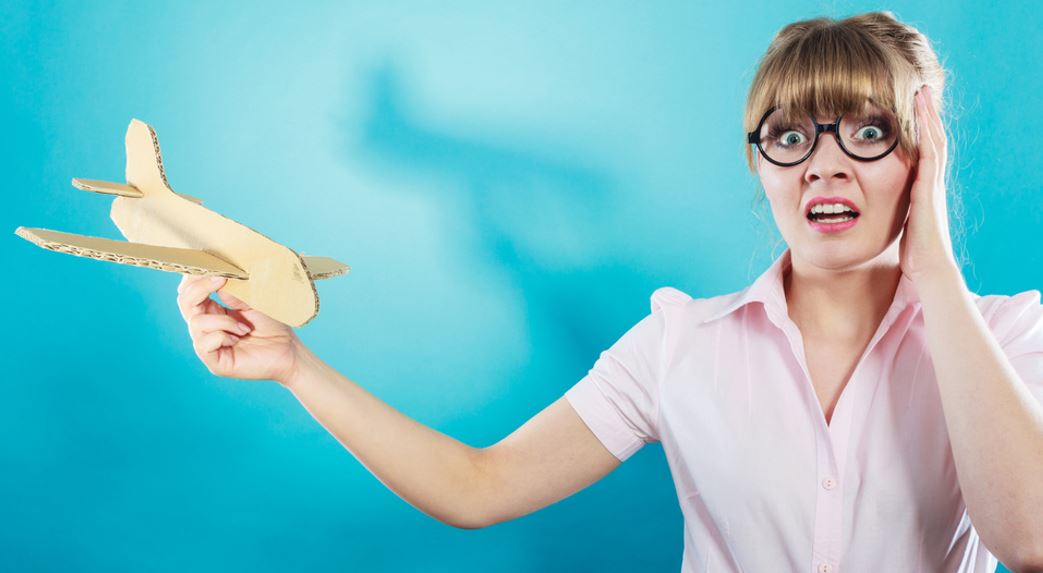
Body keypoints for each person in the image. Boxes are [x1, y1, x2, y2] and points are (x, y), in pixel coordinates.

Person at [175, 11, 1043, 573]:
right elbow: (475, 487)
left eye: (866, 131)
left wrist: (934, 267)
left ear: (923, 155)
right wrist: (293, 363)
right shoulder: (680, 344)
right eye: (789, 134)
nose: (824, 161)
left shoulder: (1003, 337)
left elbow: (1028, 538)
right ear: (758, 162)